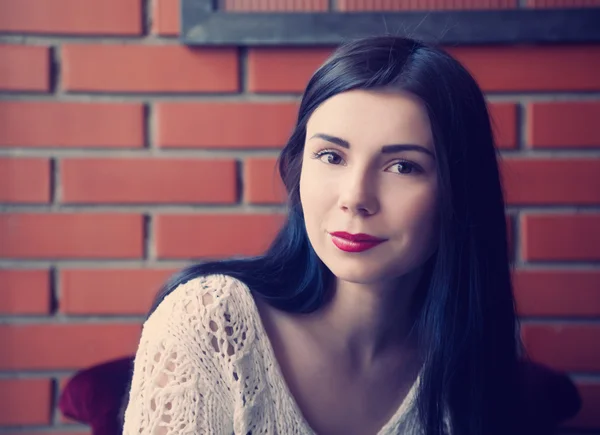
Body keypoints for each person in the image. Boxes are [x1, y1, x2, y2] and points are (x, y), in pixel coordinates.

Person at [122, 35, 521, 435]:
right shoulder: (208, 324)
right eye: (331, 157)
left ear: (461, 190)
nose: (355, 198)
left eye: (402, 167)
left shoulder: (473, 368)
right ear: (298, 169)